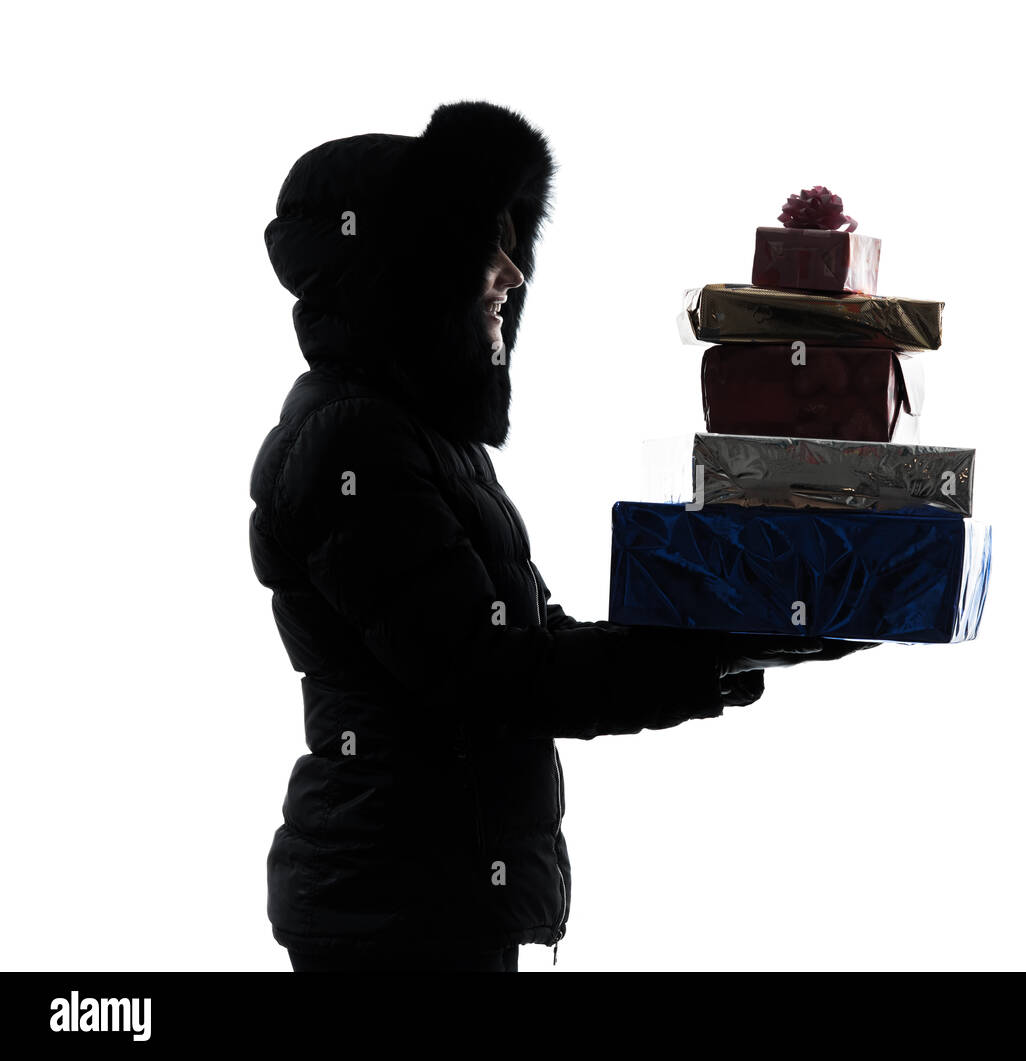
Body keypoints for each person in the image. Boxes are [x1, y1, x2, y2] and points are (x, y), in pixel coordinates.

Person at [249, 100, 873, 973]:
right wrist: (723, 644)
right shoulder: (350, 445)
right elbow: (495, 680)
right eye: (483, 249)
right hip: (392, 913)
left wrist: (739, 628)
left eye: (514, 245)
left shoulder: (421, 438)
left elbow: (528, 644)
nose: (510, 273)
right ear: (408, 271)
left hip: (435, 899)